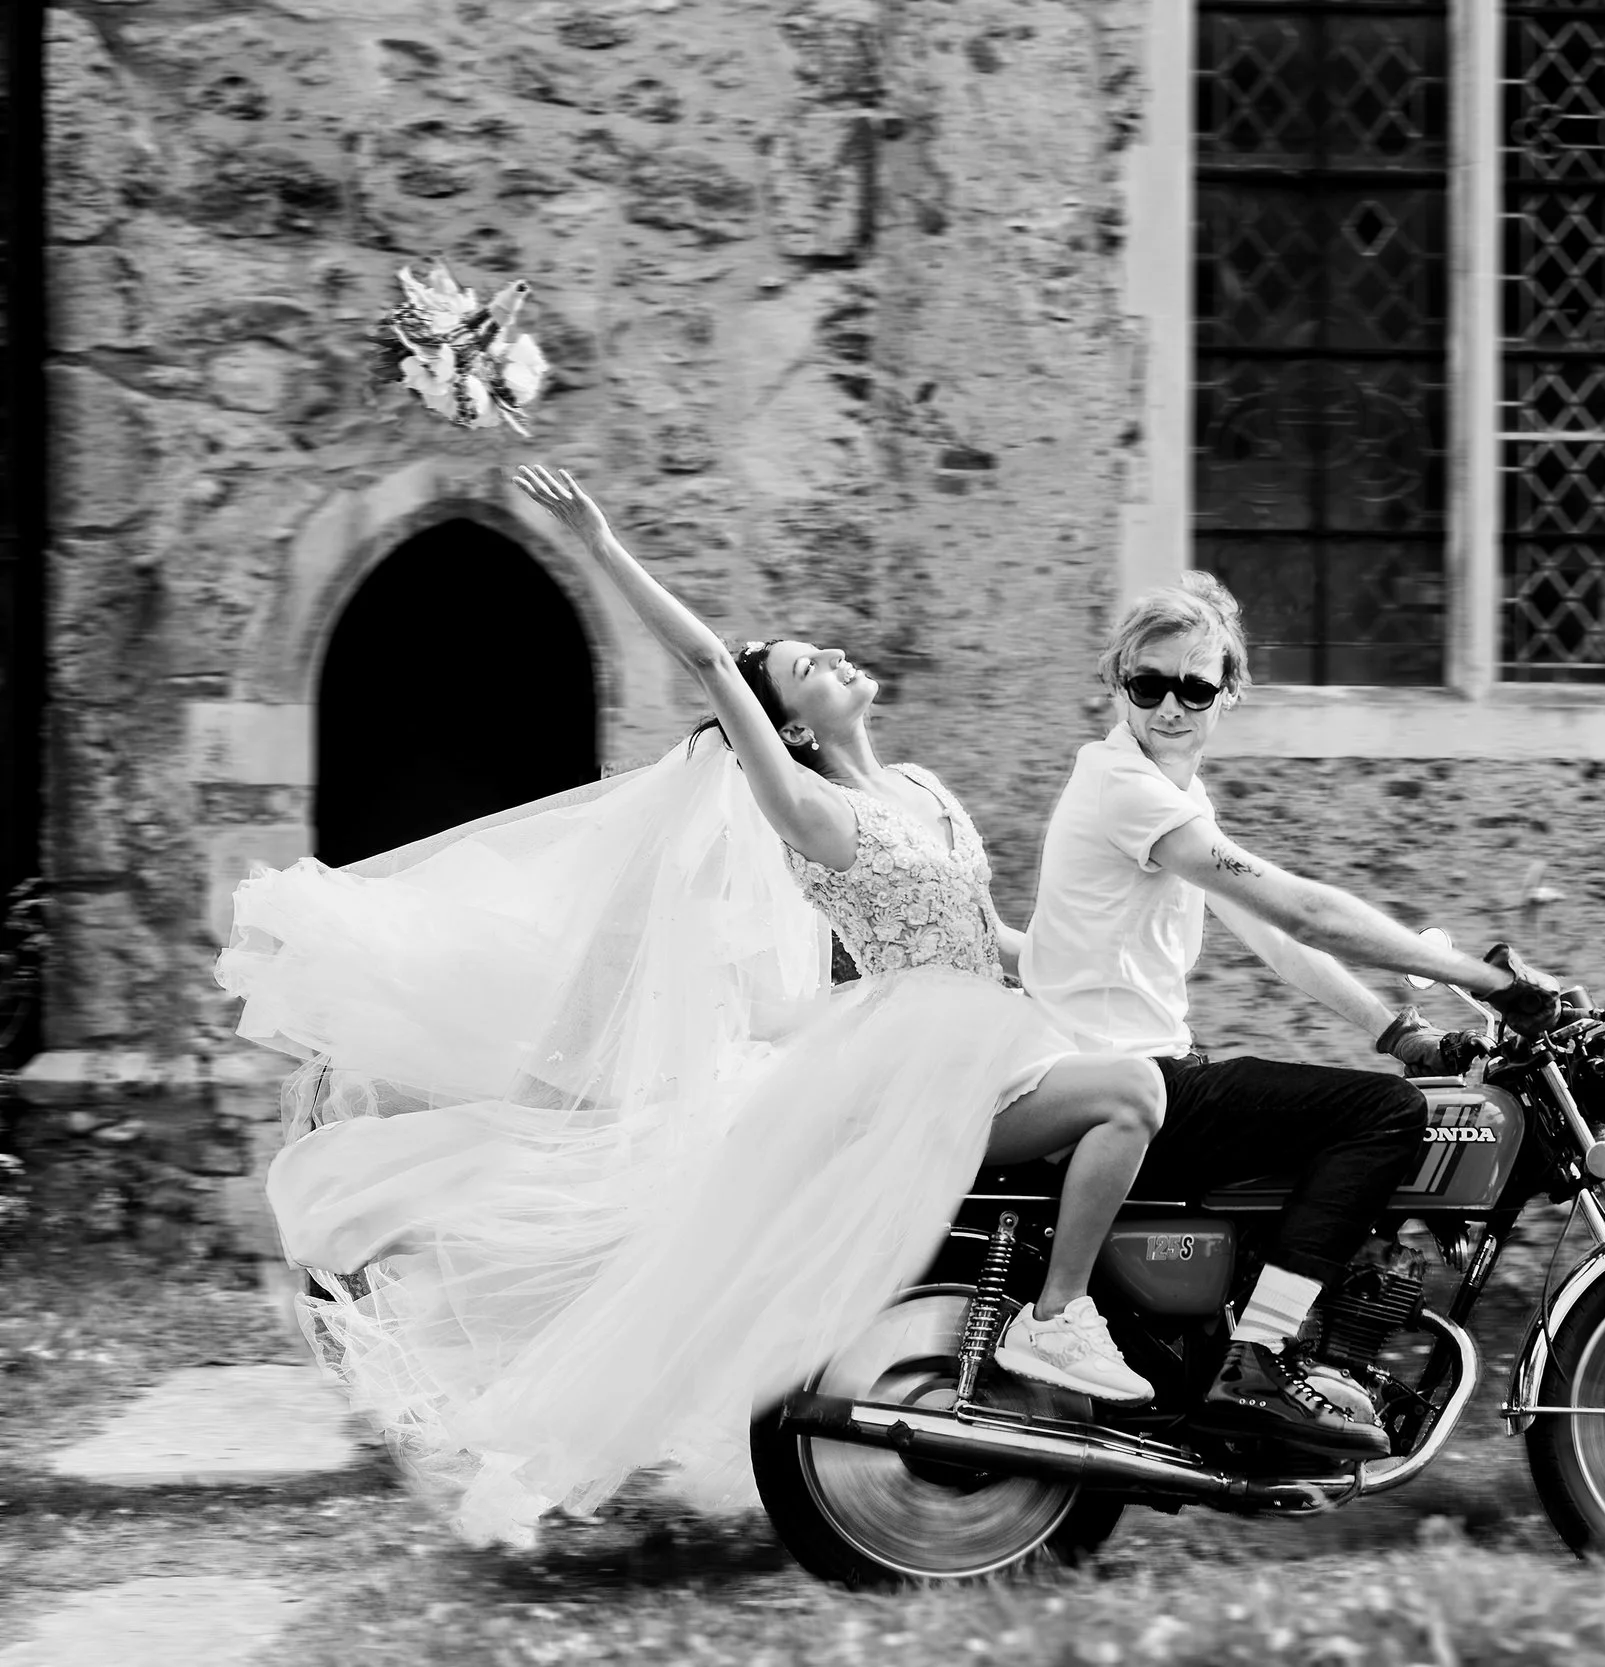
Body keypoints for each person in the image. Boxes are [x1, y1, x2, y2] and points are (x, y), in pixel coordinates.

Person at [217, 465, 1157, 1547]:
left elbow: (995, 937)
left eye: (822, 651)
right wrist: (602, 541)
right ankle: (1058, 1319)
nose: (833, 657)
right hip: (923, 1056)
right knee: (1128, 1096)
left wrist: (1108, 951)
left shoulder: (924, 793)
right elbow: (712, 662)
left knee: (1145, 1091)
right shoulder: (811, 809)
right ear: (787, 726)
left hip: (994, 1030)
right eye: (805, 667)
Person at [1020, 572, 1559, 1458]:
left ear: (1229, 692)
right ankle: (1262, 1356)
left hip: (1140, 1067)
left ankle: (1268, 1341)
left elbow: (1276, 939)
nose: (1170, 706)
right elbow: (1304, 912)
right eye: (1147, 684)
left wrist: (1398, 1031)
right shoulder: (1125, 788)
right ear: (1117, 683)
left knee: (1337, 1109)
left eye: (1194, 687)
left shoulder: (1167, 795)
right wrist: (1484, 980)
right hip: (1123, 1077)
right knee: (1383, 1113)